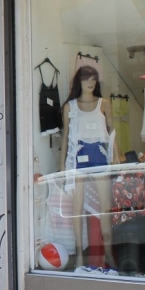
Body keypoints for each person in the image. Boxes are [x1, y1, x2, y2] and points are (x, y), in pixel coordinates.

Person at [59, 65, 117, 270]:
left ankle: (109, 253)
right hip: (77, 160)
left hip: (100, 158)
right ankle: (80, 256)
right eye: (86, 79)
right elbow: (65, 137)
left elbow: (111, 133)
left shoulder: (104, 104)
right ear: (79, 82)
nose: (90, 83)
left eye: (94, 79)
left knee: (105, 209)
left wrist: (116, 158)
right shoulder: (70, 107)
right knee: (77, 209)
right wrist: (61, 168)